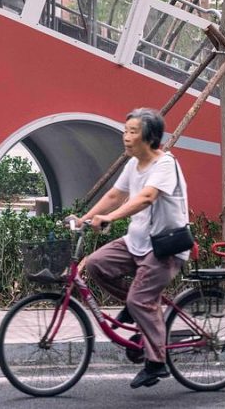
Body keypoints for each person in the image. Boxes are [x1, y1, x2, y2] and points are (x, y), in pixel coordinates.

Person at [75, 107, 190, 389]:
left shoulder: (164, 165)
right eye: (125, 131)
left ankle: (156, 362)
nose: (126, 137)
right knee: (95, 264)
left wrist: (109, 218)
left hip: (166, 245)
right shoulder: (133, 163)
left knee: (140, 300)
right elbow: (116, 195)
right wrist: (85, 218)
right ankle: (138, 306)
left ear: (150, 138)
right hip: (137, 241)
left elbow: (147, 197)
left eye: (133, 132)